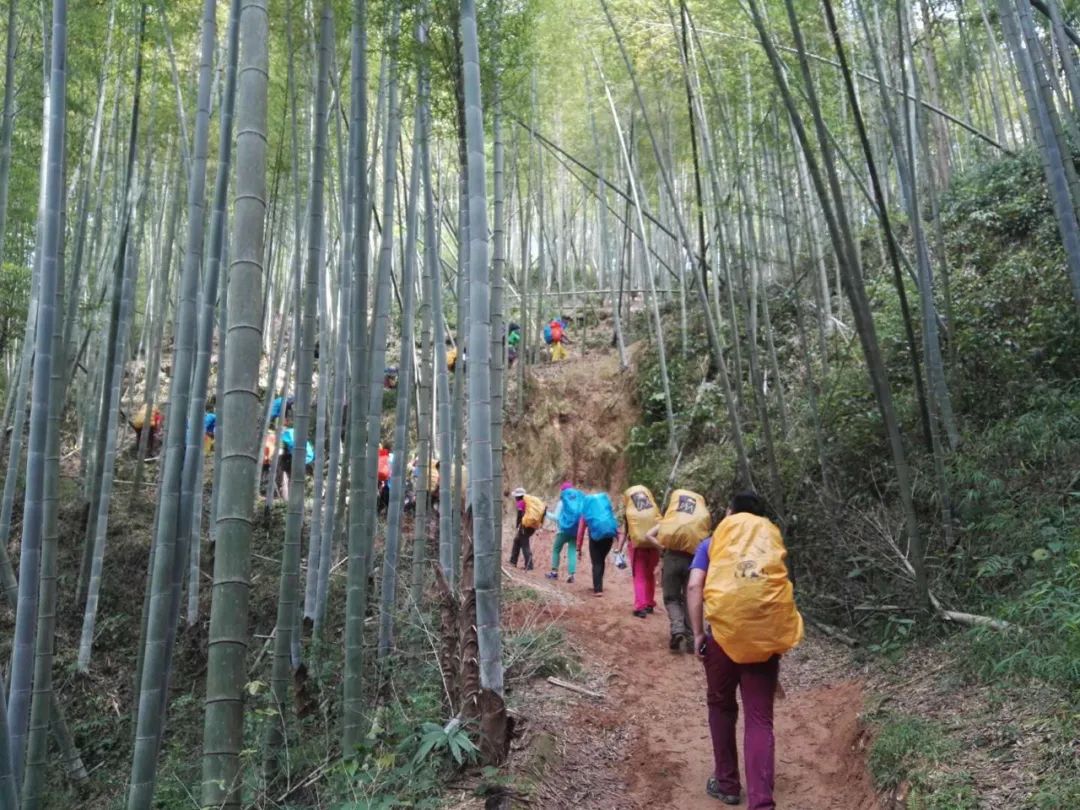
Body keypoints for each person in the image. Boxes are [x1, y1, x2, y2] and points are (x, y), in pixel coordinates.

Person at [688, 491, 798, 809]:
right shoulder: (769, 544)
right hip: (763, 642)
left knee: (721, 707)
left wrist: (698, 634)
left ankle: (727, 784)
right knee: (759, 718)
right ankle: (762, 801)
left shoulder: (712, 543)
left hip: (722, 637)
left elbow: (695, 585)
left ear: (731, 513)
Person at [623, 485, 661, 619]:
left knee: (639, 575)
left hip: (637, 546)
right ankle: (650, 603)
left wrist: (620, 548)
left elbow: (627, 531)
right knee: (650, 574)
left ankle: (640, 606)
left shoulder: (630, 511)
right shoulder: (653, 508)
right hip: (654, 544)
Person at [581, 492, 619, 596]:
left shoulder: (587, 512)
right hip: (609, 538)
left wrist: (578, 547)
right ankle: (599, 585)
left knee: (597, 562)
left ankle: (598, 589)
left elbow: (581, 530)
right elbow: (615, 523)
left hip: (595, 539)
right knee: (601, 560)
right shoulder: (606, 510)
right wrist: (617, 542)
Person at [545, 482, 583, 583]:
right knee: (572, 552)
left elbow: (556, 517)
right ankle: (571, 575)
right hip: (575, 531)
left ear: (563, 491)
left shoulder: (562, 502)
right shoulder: (577, 502)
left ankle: (554, 573)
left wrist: (546, 513)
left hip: (562, 530)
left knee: (556, 550)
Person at [508, 487, 543, 570]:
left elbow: (519, 515)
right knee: (517, 541)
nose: (515, 498)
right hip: (532, 526)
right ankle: (513, 561)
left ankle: (529, 565)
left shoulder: (521, 503)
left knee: (524, 544)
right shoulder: (528, 503)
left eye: (516, 496)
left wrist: (517, 526)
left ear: (518, 496)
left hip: (525, 526)